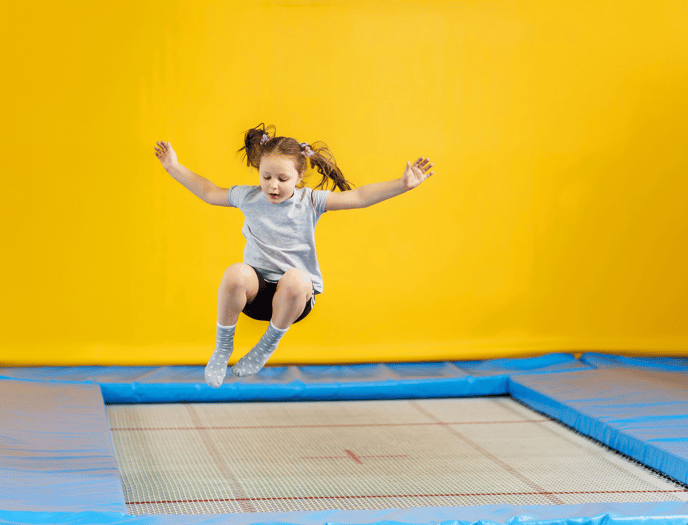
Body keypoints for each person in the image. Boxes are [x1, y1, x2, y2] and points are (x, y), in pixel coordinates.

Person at [154, 123, 434, 388]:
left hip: (294, 299)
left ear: (299, 177)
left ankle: (266, 346)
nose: (273, 186)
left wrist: (402, 184)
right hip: (256, 295)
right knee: (236, 272)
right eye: (266, 177)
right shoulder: (248, 197)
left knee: (297, 279)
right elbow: (208, 191)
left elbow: (359, 197)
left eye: (282, 179)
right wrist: (173, 167)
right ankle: (223, 346)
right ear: (259, 172)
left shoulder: (310, 201)